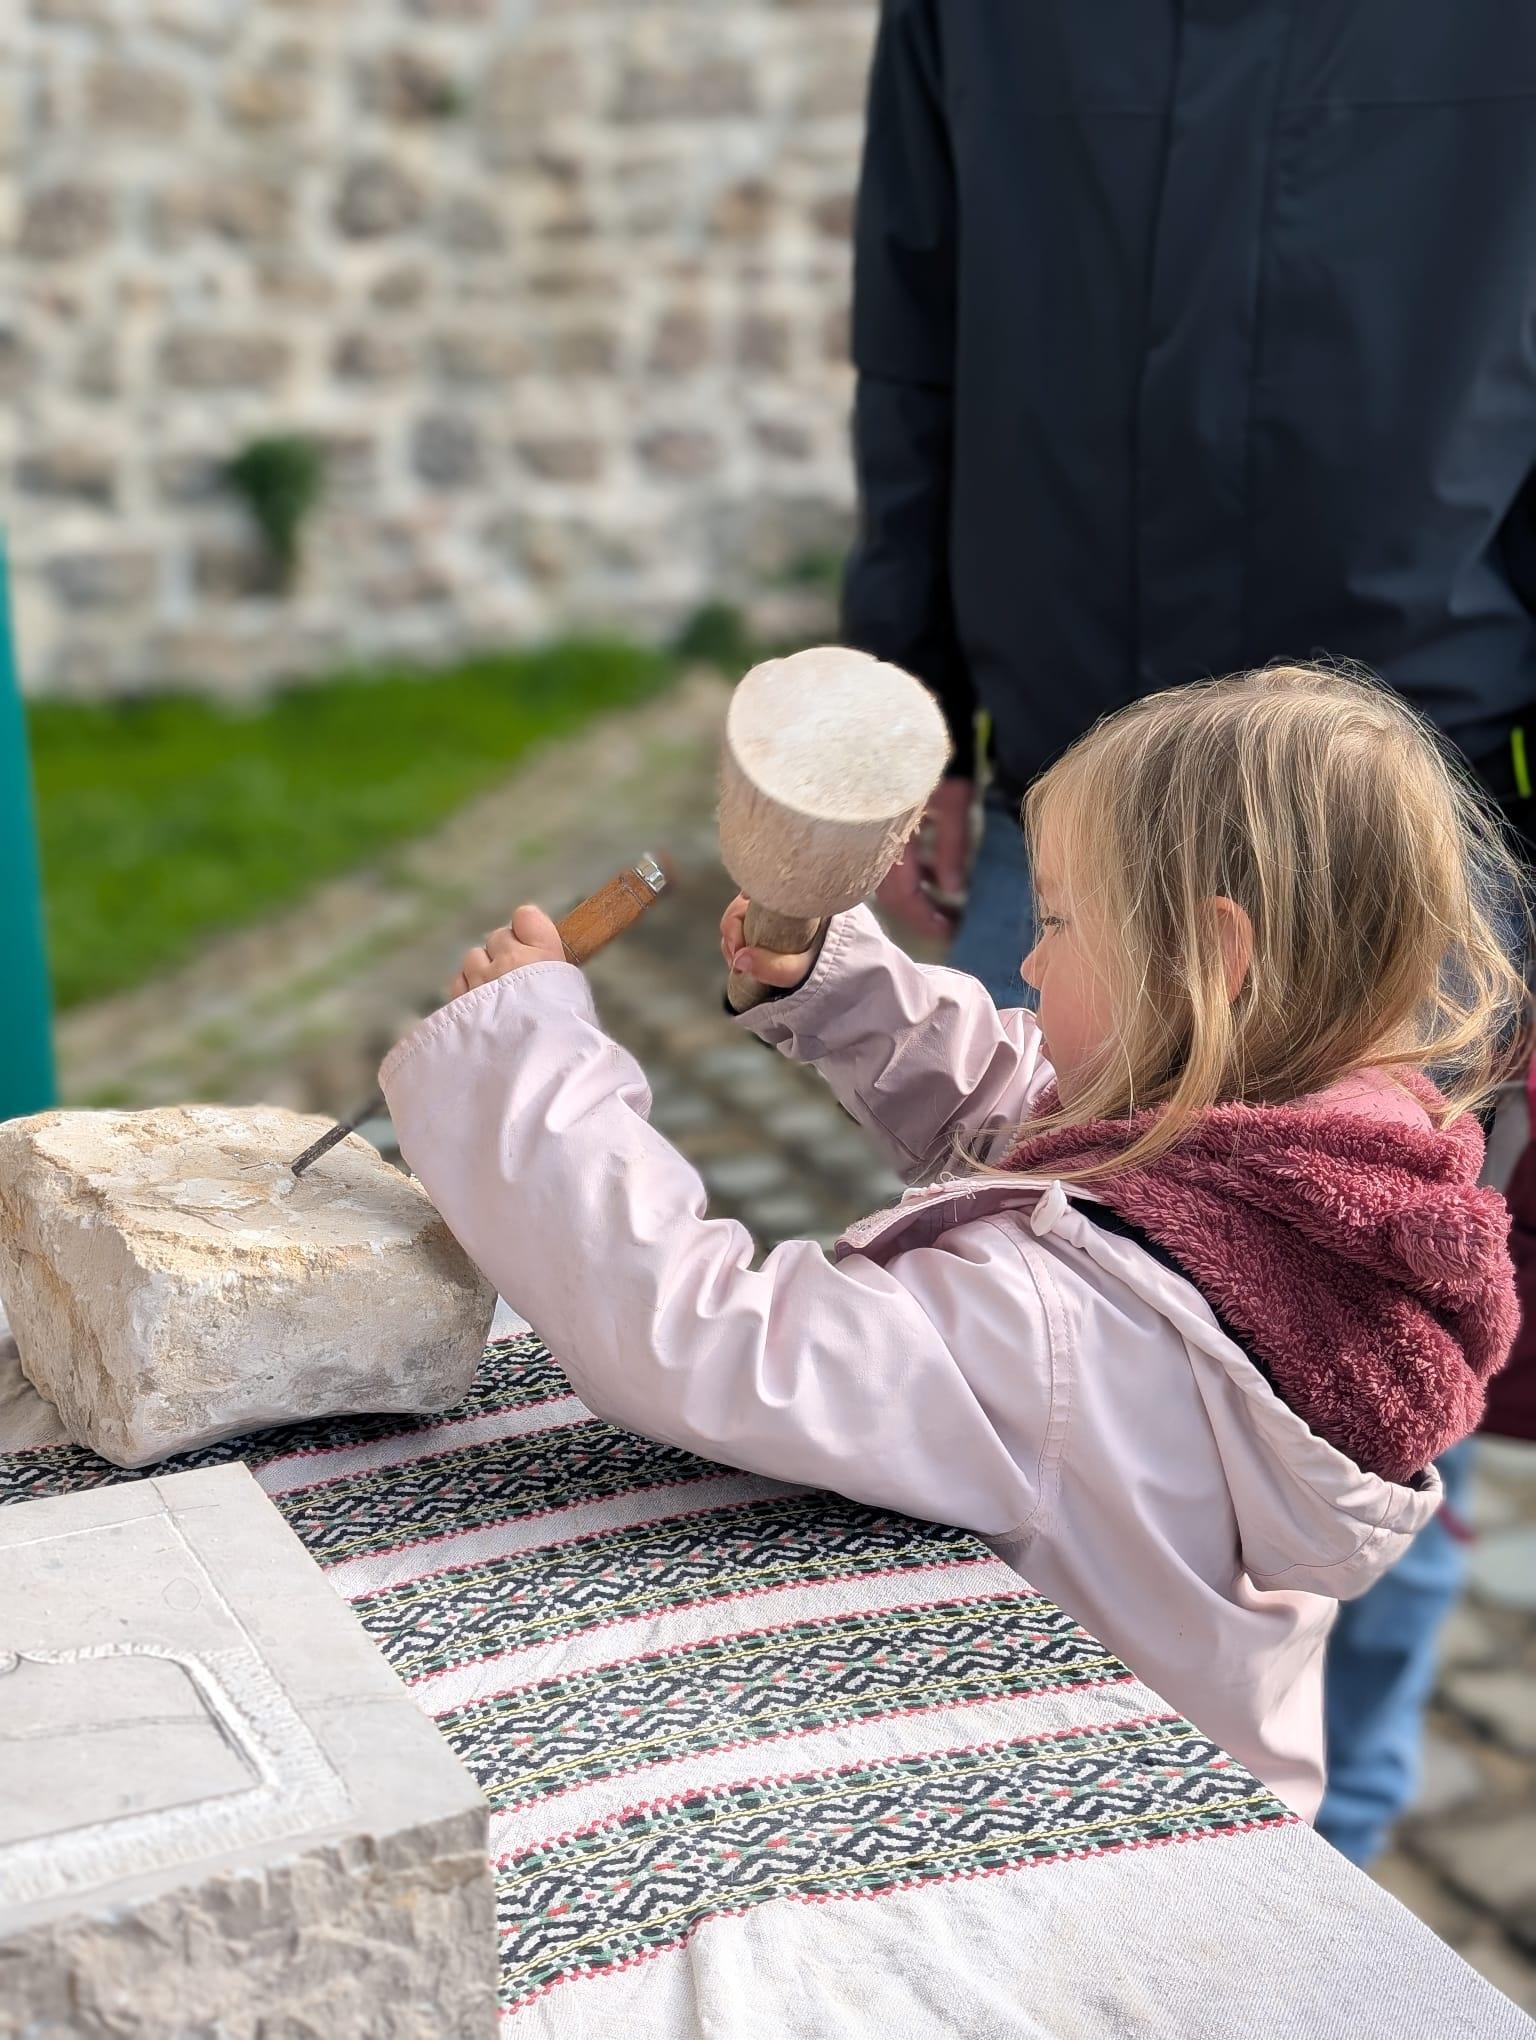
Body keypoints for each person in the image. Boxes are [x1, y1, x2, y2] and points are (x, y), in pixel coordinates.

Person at [380, 667, 1520, 1823]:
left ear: (1213, 963)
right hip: (1197, 1762)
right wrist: (845, 991)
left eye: (1061, 922)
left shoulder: (1068, 1328)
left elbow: (711, 1344)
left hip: (1076, 1830)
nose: (1025, 961)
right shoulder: (1304, 1168)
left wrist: (521, 1062)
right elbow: (1050, 1119)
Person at [839, 0, 1536, 1852]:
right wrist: (903, 691)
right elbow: (915, 327)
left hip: (1392, 803)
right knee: (1025, 1322)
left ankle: (1330, 1852)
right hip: (1075, 779)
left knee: (1342, 1349)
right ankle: (1030, 1830)